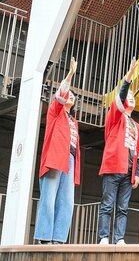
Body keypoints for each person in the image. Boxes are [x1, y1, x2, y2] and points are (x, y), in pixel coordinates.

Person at [98, 58, 139, 245]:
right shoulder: (115, 117)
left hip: (129, 172)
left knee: (123, 207)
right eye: (129, 96)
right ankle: (103, 237)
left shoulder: (138, 127)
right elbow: (119, 98)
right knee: (107, 204)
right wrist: (128, 79)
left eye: (134, 96)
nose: (131, 98)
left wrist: (138, 174)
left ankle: (119, 238)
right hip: (112, 167)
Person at [34, 57, 80, 244]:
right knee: (49, 197)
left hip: (69, 159)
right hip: (55, 158)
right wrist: (69, 75)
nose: (70, 96)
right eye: (68, 94)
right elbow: (60, 94)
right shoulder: (56, 112)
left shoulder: (74, 120)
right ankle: (45, 237)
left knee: (67, 201)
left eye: (72, 95)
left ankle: (59, 238)